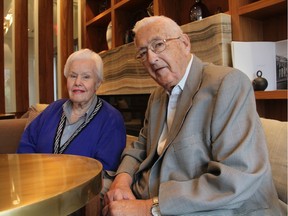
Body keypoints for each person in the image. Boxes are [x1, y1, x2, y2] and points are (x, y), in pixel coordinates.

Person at [102, 16, 281, 215]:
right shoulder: (157, 96)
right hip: (153, 192)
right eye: (143, 53)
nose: (151, 58)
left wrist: (148, 208)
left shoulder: (228, 84)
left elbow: (236, 178)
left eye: (158, 45)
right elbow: (141, 145)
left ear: (185, 43)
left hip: (213, 207)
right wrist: (122, 179)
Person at [17, 48, 126, 174]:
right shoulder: (54, 108)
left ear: (98, 84)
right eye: (73, 76)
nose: (77, 82)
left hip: (79, 191)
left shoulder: (111, 119)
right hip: (37, 183)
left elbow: (106, 170)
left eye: (86, 77)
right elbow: (27, 143)